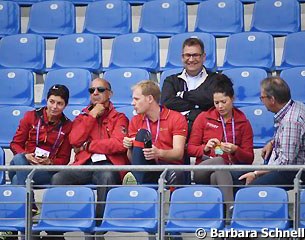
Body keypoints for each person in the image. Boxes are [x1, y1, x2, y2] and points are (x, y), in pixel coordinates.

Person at [51, 78, 129, 240]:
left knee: (106, 176)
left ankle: (96, 229)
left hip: (109, 164)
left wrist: (89, 145)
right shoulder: (83, 116)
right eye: (92, 90)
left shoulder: (119, 117)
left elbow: (118, 144)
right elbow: (74, 140)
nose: (95, 93)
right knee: (58, 178)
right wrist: (92, 115)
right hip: (85, 163)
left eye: (100, 90)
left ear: (110, 94)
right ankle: (56, 232)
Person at [187, 74, 254, 215]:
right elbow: (190, 149)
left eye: (223, 102)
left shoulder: (243, 123)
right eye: (216, 103)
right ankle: (232, 209)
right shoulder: (203, 118)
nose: (220, 106)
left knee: (217, 174)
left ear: (232, 99)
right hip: (203, 168)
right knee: (218, 161)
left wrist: (235, 150)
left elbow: (249, 158)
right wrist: (204, 148)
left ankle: (225, 215)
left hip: (229, 170)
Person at [238, 76, 305, 186]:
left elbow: (285, 162)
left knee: (253, 186)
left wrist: (256, 174)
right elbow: (292, 138)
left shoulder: (291, 122)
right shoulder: (295, 105)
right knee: (237, 177)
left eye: (262, 98)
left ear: (272, 100)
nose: (262, 101)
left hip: (294, 171)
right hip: (284, 165)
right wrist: (272, 142)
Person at [123, 80, 188, 185]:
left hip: (169, 166)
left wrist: (158, 153)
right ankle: (137, 180)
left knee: (175, 173)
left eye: (136, 99)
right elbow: (133, 159)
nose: (132, 103)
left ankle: (137, 182)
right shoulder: (135, 120)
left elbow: (178, 154)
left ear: (149, 99)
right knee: (141, 135)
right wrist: (130, 147)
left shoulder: (176, 118)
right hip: (145, 166)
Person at [9, 84, 72, 186]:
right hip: (24, 162)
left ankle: (28, 198)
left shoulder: (68, 126)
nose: (54, 107)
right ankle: (29, 194)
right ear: (46, 100)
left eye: (59, 103)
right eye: (51, 102)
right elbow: (15, 144)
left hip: (45, 169)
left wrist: (50, 162)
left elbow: (64, 159)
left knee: (17, 179)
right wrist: (26, 155)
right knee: (18, 158)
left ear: (66, 105)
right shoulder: (31, 116)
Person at [161, 37, 222, 131]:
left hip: (207, 129)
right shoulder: (171, 80)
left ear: (203, 57)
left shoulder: (216, 79)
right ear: (182, 57)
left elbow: (212, 100)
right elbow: (168, 103)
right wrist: (199, 106)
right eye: (187, 55)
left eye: (196, 55)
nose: (191, 59)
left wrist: (183, 95)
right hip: (176, 130)